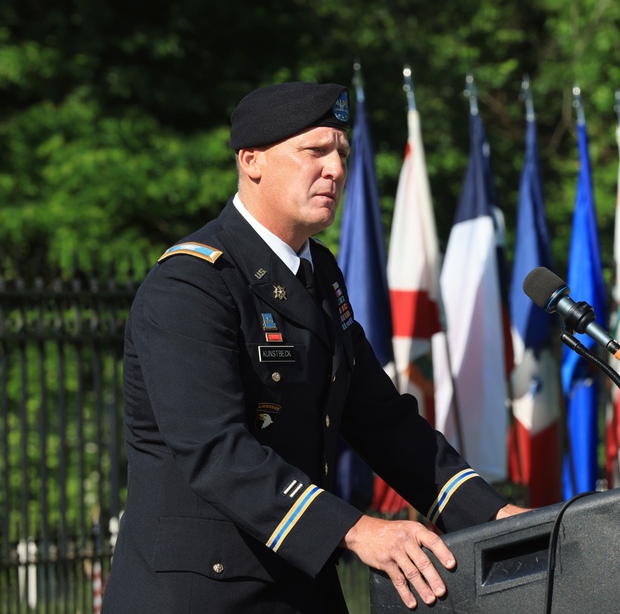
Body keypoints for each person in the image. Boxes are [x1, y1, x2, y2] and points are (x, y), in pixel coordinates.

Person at [101, 81, 526, 613]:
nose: (335, 169)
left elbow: (382, 420)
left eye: (342, 153)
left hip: (301, 587)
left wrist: (494, 516)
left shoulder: (319, 273)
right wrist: (356, 530)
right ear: (252, 160)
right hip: (201, 595)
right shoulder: (192, 284)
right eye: (315, 151)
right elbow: (215, 450)